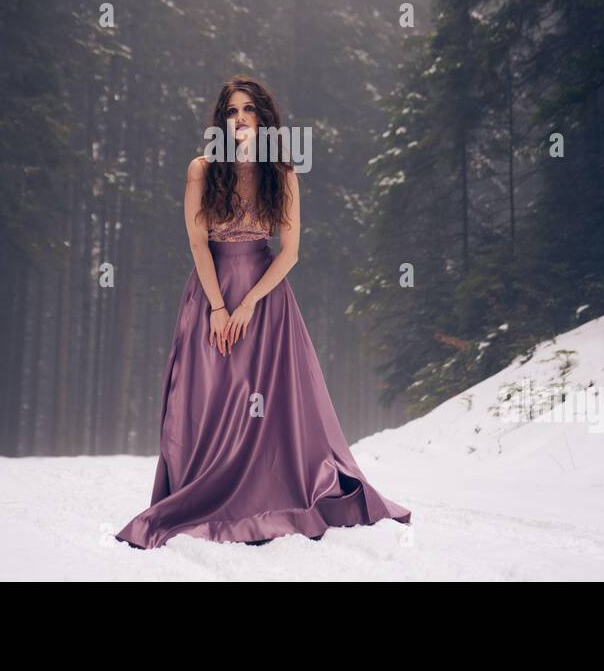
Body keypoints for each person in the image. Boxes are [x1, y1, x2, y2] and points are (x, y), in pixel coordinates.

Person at [115, 77, 412, 549]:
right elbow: (197, 243)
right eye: (231, 112)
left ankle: (265, 492)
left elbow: (290, 252)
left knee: (266, 404)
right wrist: (217, 307)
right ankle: (204, 491)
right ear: (221, 120)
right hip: (211, 293)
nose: (239, 120)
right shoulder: (201, 170)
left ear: (264, 118)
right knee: (208, 395)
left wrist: (250, 303)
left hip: (265, 297)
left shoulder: (282, 172)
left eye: (248, 110)